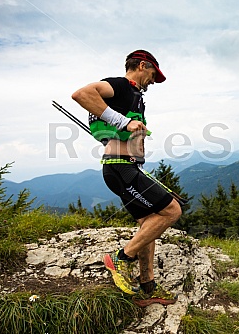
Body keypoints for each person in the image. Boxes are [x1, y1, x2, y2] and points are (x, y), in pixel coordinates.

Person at [71, 49, 182, 307]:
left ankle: (147, 285)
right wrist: (122, 122)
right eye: (154, 74)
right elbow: (81, 94)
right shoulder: (120, 86)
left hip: (128, 167)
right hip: (121, 168)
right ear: (143, 65)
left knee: (149, 225)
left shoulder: (134, 96)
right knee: (171, 211)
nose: (154, 81)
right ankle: (122, 259)